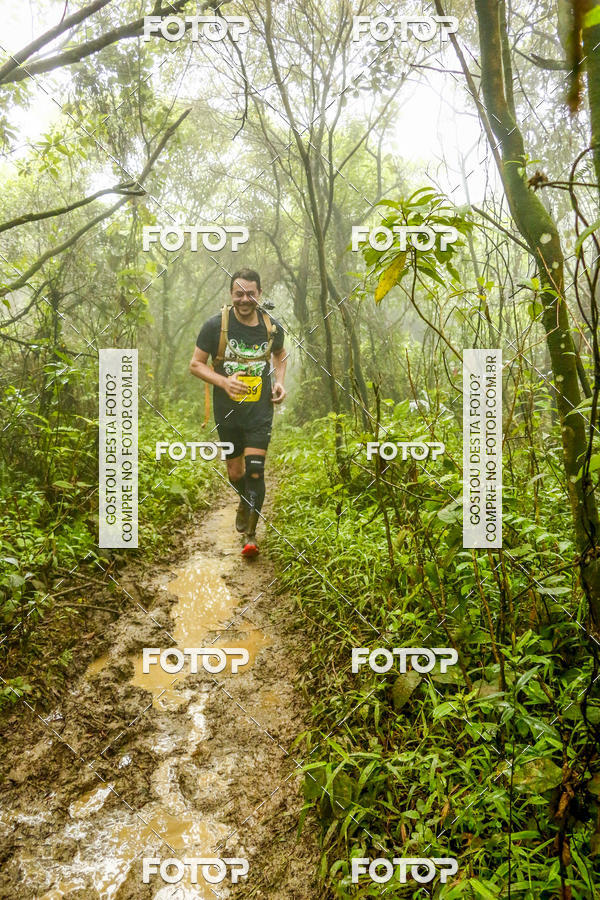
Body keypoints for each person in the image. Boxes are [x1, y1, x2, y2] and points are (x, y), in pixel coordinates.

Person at [189, 268, 287, 557]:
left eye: (251, 294)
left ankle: (251, 536)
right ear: (231, 295)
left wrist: (279, 383)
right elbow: (196, 364)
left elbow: (280, 355)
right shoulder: (214, 326)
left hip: (259, 411)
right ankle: (244, 501)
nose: (245, 300)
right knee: (236, 471)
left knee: (255, 471)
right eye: (239, 294)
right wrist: (223, 382)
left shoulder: (271, 327)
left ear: (259, 294)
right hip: (227, 411)